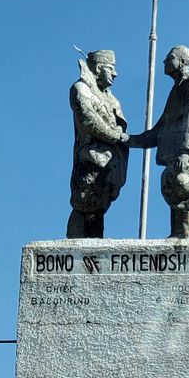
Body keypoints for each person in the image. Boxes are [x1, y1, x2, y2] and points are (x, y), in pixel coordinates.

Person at [127, 45, 189, 238]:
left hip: (188, 157)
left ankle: (182, 237)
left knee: (184, 191)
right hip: (178, 156)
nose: (164, 61)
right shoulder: (176, 89)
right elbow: (161, 128)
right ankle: (177, 235)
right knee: (175, 197)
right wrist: (130, 140)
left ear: (182, 62)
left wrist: (185, 151)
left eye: (169, 57)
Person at [67, 50, 129, 238]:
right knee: (84, 204)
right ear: (99, 68)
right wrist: (114, 135)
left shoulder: (112, 99)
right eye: (111, 68)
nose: (115, 74)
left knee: (98, 209)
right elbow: (88, 119)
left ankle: (93, 250)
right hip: (89, 160)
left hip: (109, 164)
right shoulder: (81, 89)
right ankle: (75, 250)